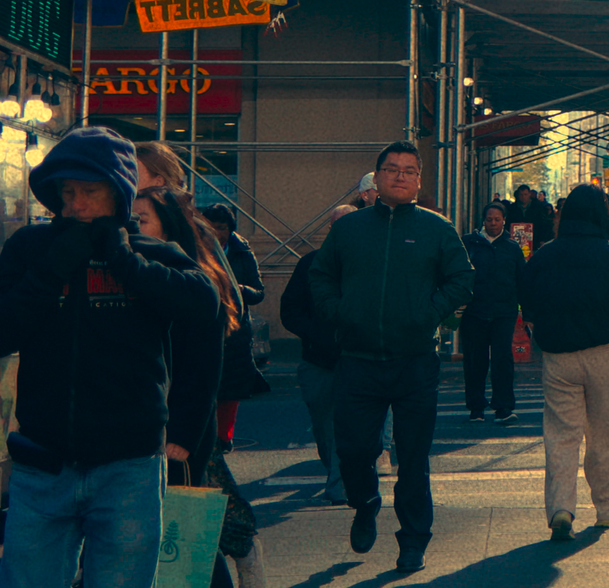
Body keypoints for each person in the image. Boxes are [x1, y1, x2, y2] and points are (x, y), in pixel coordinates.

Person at [0, 127, 223, 588]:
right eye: (67, 193)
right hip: (42, 462)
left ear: (120, 195)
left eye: (90, 192)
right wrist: (51, 269)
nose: (76, 204)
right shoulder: (30, 249)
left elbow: (204, 306)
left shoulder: (154, 252)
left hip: (128, 465)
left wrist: (127, 262)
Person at [309, 142, 474, 572]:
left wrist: (428, 313)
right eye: (391, 169)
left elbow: (462, 279)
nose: (400, 176)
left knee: (414, 458)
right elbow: (320, 275)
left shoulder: (437, 229)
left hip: (415, 361)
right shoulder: (350, 229)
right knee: (354, 451)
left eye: (409, 170)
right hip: (358, 361)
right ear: (376, 179)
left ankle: (414, 540)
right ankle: (365, 505)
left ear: (419, 180)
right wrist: (339, 313)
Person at [136, 187, 262, 588]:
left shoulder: (192, 281)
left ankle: (246, 551)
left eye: (141, 221)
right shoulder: (134, 271)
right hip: (141, 431)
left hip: (181, 431)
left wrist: (184, 436)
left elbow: (203, 370)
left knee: (184, 537)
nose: (130, 228)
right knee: (174, 537)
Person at [521, 184, 609, 542]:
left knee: (561, 435)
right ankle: (605, 509)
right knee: (606, 435)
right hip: (605, 353)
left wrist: (541, 336)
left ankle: (561, 507)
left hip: (558, 356)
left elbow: (527, 298)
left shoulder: (545, 255)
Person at [198, 204, 269, 448]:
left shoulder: (241, 251)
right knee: (202, 386)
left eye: (222, 228)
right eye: (210, 227)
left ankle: (223, 438)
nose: (216, 233)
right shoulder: (190, 248)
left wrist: (239, 290)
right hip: (200, 325)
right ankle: (202, 435)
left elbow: (258, 292)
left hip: (234, 329)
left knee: (230, 389)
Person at [279, 258, 347, 504]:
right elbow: (290, 309)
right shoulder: (310, 263)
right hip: (319, 360)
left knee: (352, 423)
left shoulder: (372, 256)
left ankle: (342, 483)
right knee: (323, 424)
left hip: (360, 358)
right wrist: (315, 335)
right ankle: (335, 471)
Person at [461, 202, 527, 423]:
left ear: (504, 221)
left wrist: (526, 312)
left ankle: (503, 407)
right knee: (475, 360)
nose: (493, 223)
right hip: (475, 312)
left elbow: (521, 281)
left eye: (497, 219)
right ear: (483, 220)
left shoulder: (512, 247)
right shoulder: (469, 244)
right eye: (489, 219)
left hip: (503, 313)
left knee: (502, 360)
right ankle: (476, 408)